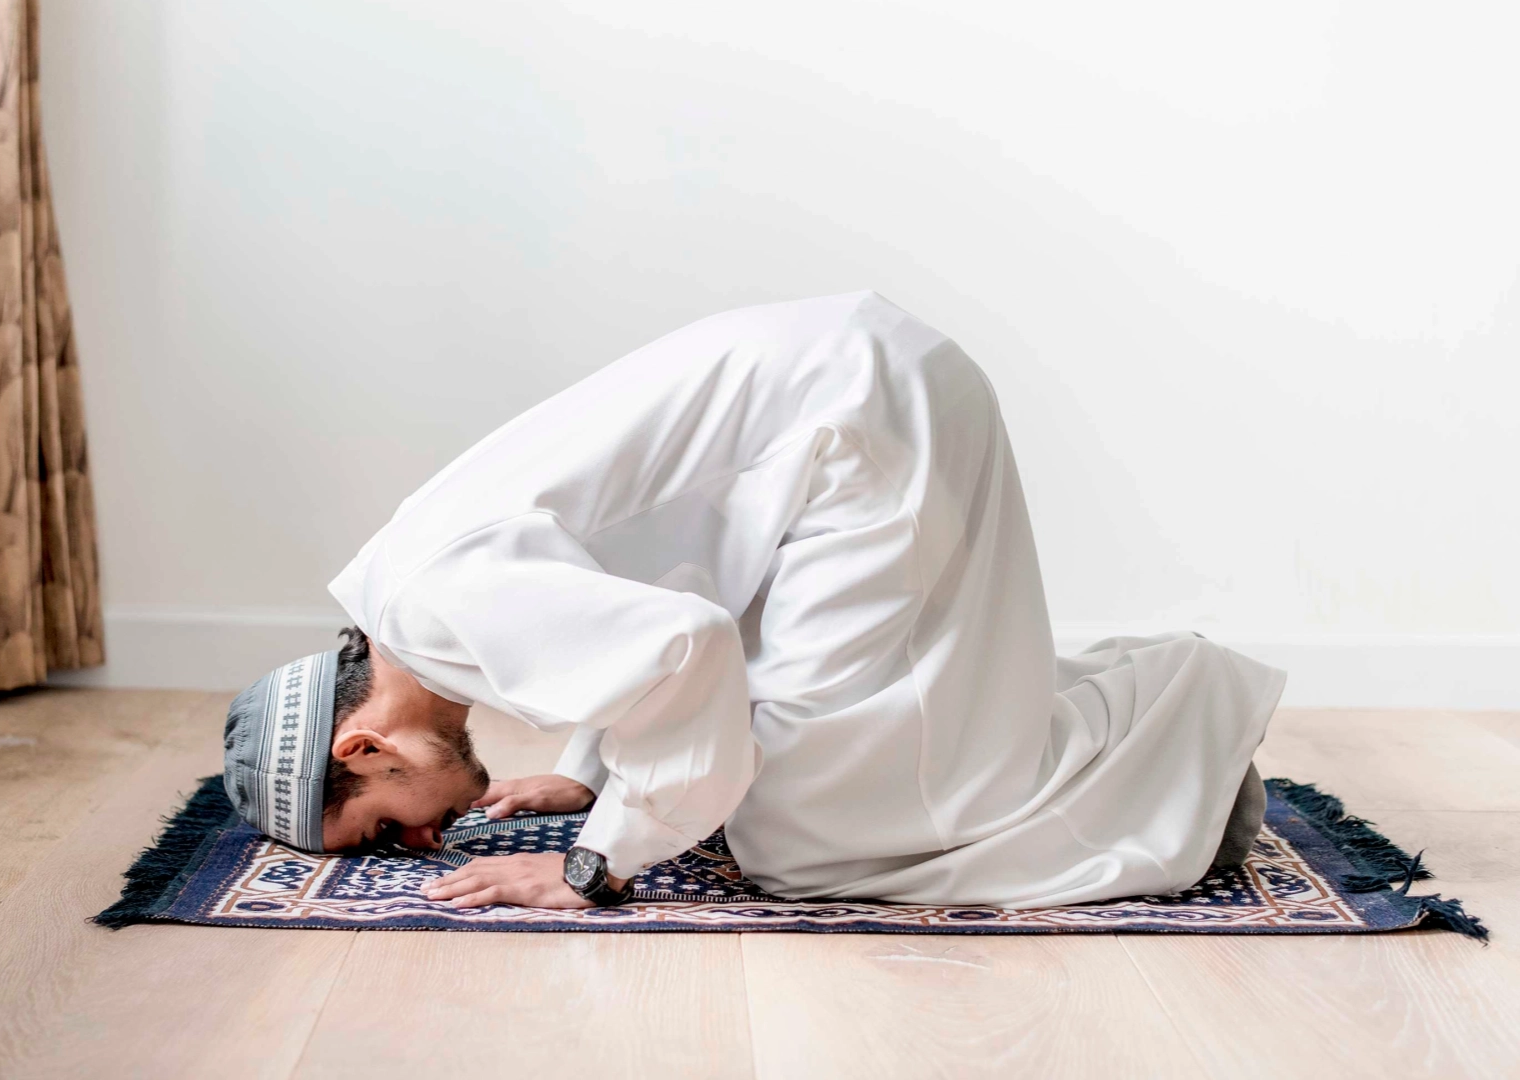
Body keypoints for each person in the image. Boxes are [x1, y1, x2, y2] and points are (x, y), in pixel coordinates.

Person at [222, 291, 1283, 911]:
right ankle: (1151, 749)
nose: (417, 845)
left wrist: (593, 866)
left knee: (801, 832)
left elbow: (684, 642)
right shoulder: (407, 587)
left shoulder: (445, 603)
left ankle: (1181, 751)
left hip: (855, 426)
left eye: (380, 831)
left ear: (364, 747)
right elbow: (621, 594)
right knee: (800, 757)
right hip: (856, 390)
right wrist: (595, 773)